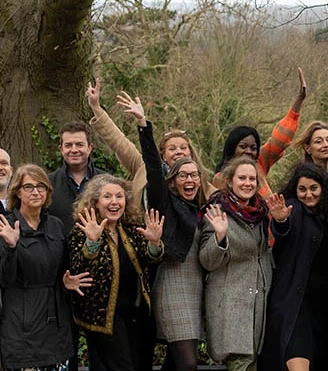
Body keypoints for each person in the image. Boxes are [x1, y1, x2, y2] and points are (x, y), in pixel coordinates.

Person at [0, 165, 92, 371]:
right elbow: (3, 278)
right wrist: (11, 247)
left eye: (41, 186)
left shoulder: (55, 224)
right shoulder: (7, 226)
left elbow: (66, 265)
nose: (35, 192)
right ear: (17, 191)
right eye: (28, 187)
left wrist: (68, 281)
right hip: (22, 321)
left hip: (56, 319)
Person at [131, 102, 209, 371]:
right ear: (173, 180)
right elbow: (153, 166)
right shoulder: (164, 202)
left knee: (176, 363)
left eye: (194, 175)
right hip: (172, 286)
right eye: (183, 175)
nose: (190, 179)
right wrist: (143, 126)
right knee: (188, 363)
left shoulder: (201, 208)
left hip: (197, 287)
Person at [69, 174, 165, 371]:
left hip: (137, 313)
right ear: (95, 201)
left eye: (119, 197)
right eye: (107, 197)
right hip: (105, 317)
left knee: (140, 365)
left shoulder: (131, 227)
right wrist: (92, 242)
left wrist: (155, 243)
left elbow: (149, 260)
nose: (114, 202)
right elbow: (80, 267)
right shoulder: (82, 229)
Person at [86, 80, 214, 211]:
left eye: (183, 148)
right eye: (172, 148)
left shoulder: (200, 183)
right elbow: (118, 142)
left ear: (191, 153)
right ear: (163, 156)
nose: (178, 152)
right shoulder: (142, 167)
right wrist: (96, 108)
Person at [262, 163, 328, 371]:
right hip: (295, 304)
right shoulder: (293, 209)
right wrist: (280, 222)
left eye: (313, 188)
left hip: (324, 305)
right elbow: (283, 230)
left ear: (323, 189)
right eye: (302, 189)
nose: (308, 195)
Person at [198, 157, 273, 371]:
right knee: (241, 363)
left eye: (252, 179)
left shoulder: (260, 212)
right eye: (242, 178)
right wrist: (219, 236)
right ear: (230, 181)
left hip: (256, 307)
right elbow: (207, 261)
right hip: (231, 308)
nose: (247, 183)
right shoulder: (217, 210)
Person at [213, 67, 308, 195]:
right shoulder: (221, 179)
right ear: (232, 147)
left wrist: (299, 99)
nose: (248, 151)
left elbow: (280, 140)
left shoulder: (260, 163)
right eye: (243, 146)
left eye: (253, 148)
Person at [48, 121, 108, 225]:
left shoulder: (106, 182)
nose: (74, 150)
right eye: (68, 145)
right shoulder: (48, 183)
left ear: (90, 148)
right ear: (61, 149)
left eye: (79, 144)